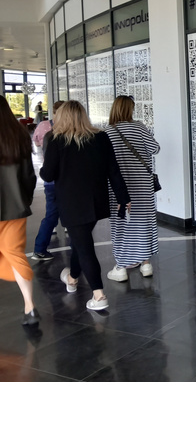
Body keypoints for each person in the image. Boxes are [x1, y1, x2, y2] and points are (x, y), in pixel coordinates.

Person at [40, 100, 131, 311]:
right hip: (96, 201)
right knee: (80, 243)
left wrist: (45, 167)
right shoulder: (100, 137)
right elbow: (113, 170)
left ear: (62, 117)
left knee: (84, 246)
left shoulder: (56, 140)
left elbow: (48, 174)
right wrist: (123, 197)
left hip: (72, 204)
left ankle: (99, 295)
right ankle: (72, 278)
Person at [104, 95, 160, 281]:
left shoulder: (108, 131)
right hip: (142, 184)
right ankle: (146, 264)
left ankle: (121, 267)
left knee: (122, 223)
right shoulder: (139, 127)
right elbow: (155, 149)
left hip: (118, 185)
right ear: (130, 109)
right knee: (143, 222)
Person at [0, 95, 40, 325]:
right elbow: (29, 176)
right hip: (15, 208)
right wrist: (24, 199)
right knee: (15, 254)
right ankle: (29, 306)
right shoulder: (19, 136)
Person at [31, 100, 65, 261]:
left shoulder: (44, 126)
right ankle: (40, 248)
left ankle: (40, 249)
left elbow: (37, 142)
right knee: (66, 212)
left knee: (51, 213)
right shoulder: (68, 129)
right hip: (65, 179)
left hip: (50, 178)